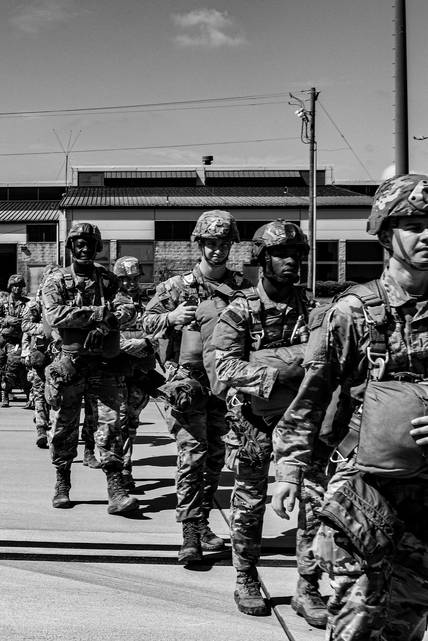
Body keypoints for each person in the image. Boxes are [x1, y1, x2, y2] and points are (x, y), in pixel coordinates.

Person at [272, 174, 428, 639]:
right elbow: (312, 397)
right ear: (385, 234)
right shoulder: (353, 312)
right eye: (414, 224)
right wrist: (290, 471)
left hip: (424, 499)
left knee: (407, 621)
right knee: (356, 623)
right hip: (362, 497)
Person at [211, 221, 322, 619]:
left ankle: (308, 586)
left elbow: (324, 361)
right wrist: (283, 371)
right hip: (252, 423)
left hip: (300, 419)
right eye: (281, 254)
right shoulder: (241, 309)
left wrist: (274, 362)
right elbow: (223, 367)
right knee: (249, 501)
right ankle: (245, 576)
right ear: (263, 259)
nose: (291, 261)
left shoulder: (312, 308)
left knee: (313, 499)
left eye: (297, 255)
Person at [143, 209, 250, 564]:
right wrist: (170, 318)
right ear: (199, 244)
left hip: (225, 386)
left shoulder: (241, 290)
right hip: (187, 385)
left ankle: (202, 521)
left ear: (231, 245)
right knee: (192, 456)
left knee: (215, 458)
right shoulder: (176, 287)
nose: (216, 250)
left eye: (223, 244)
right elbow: (145, 321)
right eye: (209, 243)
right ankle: (189, 533)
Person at [41, 222, 138, 515]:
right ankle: (62, 482)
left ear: (97, 248)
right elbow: (55, 315)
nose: (84, 249)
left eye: (90, 244)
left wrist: (108, 323)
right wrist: (98, 315)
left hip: (103, 364)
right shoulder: (56, 280)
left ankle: (116, 491)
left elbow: (128, 308)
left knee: (110, 426)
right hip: (70, 364)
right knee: (63, 427)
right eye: (79, 244)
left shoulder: (108, 280)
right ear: (71, 247)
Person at [112, 256, 160, 491]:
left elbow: (161, 329)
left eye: (134, 278)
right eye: (126, 279)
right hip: (118, 370)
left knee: (132, 421)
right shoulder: (111, 301)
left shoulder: (149, 301)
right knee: (119, 421)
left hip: (142, 371)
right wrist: (124, 344)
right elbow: (105, 331)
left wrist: (148, 344)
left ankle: (125, 465)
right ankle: (123, 469)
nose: (131, 283)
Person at [22, 265, 57, 448]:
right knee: (40, 391)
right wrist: (45, 331)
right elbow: (25, 325)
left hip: (60, 354)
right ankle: (42, 429)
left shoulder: (63, 302)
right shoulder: (35, 304)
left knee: (58, 393)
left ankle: (56, 429)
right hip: (42, 354)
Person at [0, 274, 29, 408]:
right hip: (6, 340)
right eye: (14, 286)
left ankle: (28, 394)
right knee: (5, 368)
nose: (17, 289)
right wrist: (7, 320)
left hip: (22, 340)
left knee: (25, 367)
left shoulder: (27, 303)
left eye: (19, 286)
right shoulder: (3, 302)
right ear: (10, 287)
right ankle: (5, 393)